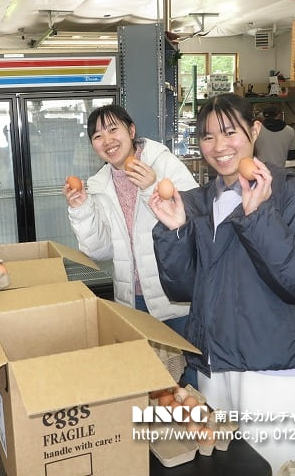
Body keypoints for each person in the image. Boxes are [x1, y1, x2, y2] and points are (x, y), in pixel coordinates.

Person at [148, 93, 295, 473]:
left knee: (273, 465)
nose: (219, 146)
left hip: (269, 364)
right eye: (208, 136)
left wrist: (260, 216)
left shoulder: (288, 193)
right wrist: (176, 232)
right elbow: (183, 289)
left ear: (255, 130)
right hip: (215, 363)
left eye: (230, 132)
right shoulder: (199, 202)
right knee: (220, 464)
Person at [63, 104, 199, 387]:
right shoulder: (99, 184)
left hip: (175, 299)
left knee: (189, 382)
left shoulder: (164, 164)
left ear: (132, 130)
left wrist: (151, 187)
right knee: (147, 385)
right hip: (132, 300)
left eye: (113, 129)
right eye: (98, 136)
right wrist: (82, 209)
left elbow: (195, 220)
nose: (107, 140)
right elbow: (101, 251)